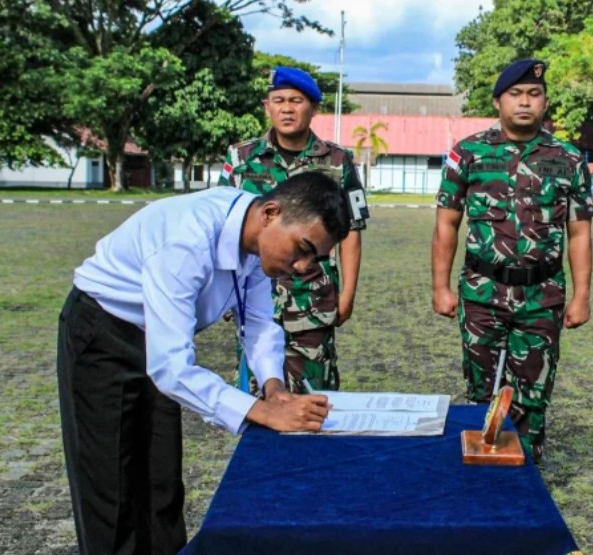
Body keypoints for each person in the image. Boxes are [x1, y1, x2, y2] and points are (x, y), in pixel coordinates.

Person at [57, 173, 350, 555]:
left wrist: (273, 387)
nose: (302, 265)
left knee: (161, 486)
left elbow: (259, 323)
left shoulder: (255, 239)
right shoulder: (187, 239)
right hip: (103, 334)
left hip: (157, 336)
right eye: (302, 248)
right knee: (111, 494)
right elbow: (170, 368)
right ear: (271, 213)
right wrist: (262, 412)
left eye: (314, 257)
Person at [431, 59, 593, 460]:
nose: (525, 102)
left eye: (534, 94)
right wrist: (440, 286)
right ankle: (484, 469)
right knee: (481, 389)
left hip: (542, 295)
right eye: (515, 94)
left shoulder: (569, 158)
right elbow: (446, 224)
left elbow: (579, 232)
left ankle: (526, 469)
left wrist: (582, 296)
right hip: (482, 293)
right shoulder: (468, 153)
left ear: (545, 102)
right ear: (498, 102)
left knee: (533, 393)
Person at [218, 66, 369, 394]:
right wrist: (226, 291)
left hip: (313, 299)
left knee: (315, 394)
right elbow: (224, 225)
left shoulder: (337, 161)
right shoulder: (241, 158)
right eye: (279, 100)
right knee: (257, 393)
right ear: (267, 107)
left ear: (313, 109)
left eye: (296, 101)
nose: (287, 109)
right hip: (253, 296)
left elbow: (352, 231)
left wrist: (347, 296)